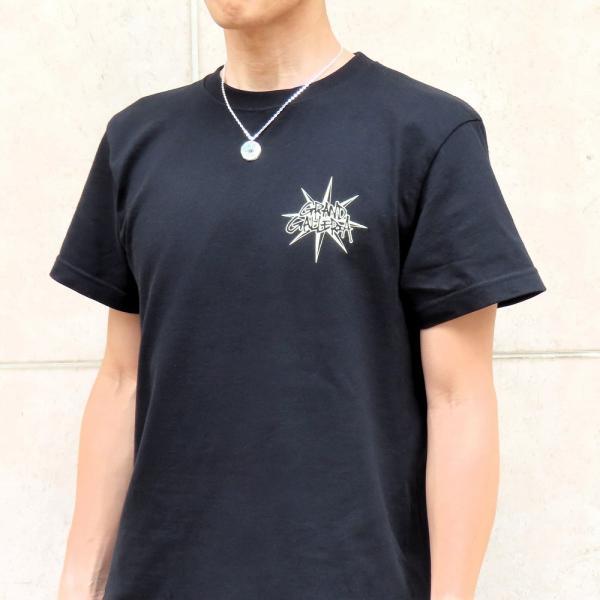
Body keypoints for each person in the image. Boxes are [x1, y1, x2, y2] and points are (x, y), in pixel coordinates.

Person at [50, 1, 547, 599]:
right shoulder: (137, 139)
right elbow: (122, 380)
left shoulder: (426, 133)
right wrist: (77, 585)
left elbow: (459, 398)